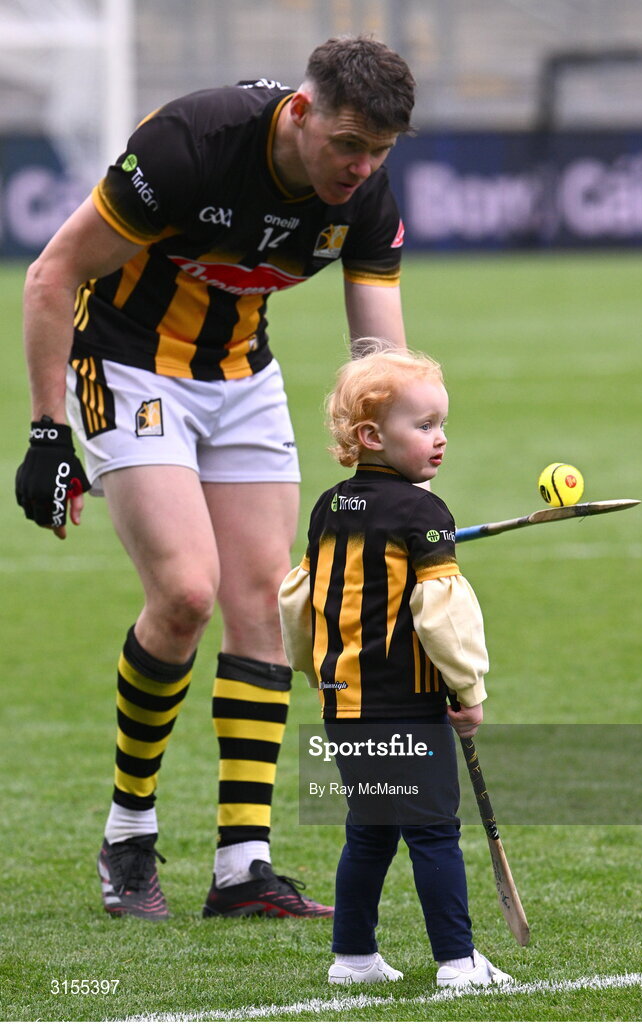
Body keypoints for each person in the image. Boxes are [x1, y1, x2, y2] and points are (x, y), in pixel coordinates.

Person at [14, 36, 416, 921]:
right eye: (348, 144)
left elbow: (378, 354)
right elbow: (52, 274)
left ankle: (244, 866)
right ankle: (128, 834)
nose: (361, 167)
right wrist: (49, 436)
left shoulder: (367, 192)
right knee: (186, 595)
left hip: (240, 376)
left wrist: (394, 468)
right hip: (127, 362)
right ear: (302, 114)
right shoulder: (192, 143)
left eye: (381, 151)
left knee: (264, 605)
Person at [278, 348, 513, 986]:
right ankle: (458, 963)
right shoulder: (423, 513)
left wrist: (315, 673)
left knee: (371, 830)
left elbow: (299, 600)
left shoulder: (327, 508)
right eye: (424, 425)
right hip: (407, 704)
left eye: (441, 425)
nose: (439, 440)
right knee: (434, 832)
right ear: (371, 436)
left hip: (344, 704)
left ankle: (352, 959)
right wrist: (468, 689)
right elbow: (443, 614)